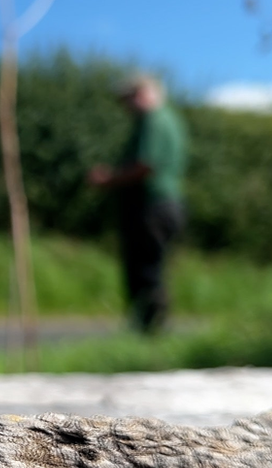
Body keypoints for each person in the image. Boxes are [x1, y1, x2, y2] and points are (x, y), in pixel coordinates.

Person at [88, 74, 188, 334]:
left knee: (144, 270)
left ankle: (150, 332)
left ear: (143, 93)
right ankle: (152, 331)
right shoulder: (169, 119)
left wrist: (108, 178)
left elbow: (146, 165)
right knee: (152, 268)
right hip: (166, 204)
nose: (126, 107)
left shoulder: (153, 120)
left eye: (128, 99)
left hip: (151, 205)